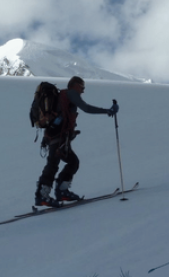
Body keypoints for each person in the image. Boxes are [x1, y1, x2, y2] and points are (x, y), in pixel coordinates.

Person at [35, 76, 118, 207]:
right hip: (58, 137)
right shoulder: (71, 93)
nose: (83, 91)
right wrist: (107, 111)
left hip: (56, 136)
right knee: (53, 164)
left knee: (72, 162)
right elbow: (86, 108)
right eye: (82, 87)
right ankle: (43, 195)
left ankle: (61, 191)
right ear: (75, 85)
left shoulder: (62, 96)